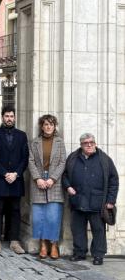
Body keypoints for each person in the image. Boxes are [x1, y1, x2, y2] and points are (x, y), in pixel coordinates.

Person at [63, 133, 119, 266]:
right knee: (77, 229)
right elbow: (64, 175)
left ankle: (98, 255)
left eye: (92, 142)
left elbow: (114, 180)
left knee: (98, 230)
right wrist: (68, 187)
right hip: (78, 200)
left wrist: (111, 200)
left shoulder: (105, 159)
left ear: (95, 143)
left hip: (97, 203)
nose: (89, 145)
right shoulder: (73, 158)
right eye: (86, 143)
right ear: (81, 145)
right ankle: (79, 253)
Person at [0, 106, 29, 254]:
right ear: (2, 117)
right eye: (7, 116)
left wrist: (16, 174)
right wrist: (5, 173)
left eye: (11, 116)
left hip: (16, 180)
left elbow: (25, 158)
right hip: (0, 179)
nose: (9, 118)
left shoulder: (22, 135)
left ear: (15, 117)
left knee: (15, 211)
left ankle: (14, 241)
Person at [28, 114, 66, 259]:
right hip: (38, 180)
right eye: (45, 124)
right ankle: (43, 244)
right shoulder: (35, 142)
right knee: (39, 216)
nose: (48, 127)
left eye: (51, 124)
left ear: (54, 126)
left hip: (54, 182)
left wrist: (53, 178)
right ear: (42, 126)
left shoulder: (59, 142)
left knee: (53, 215)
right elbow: (30, 161)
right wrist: (37, 178)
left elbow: (63, 162)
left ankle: (54, 244)